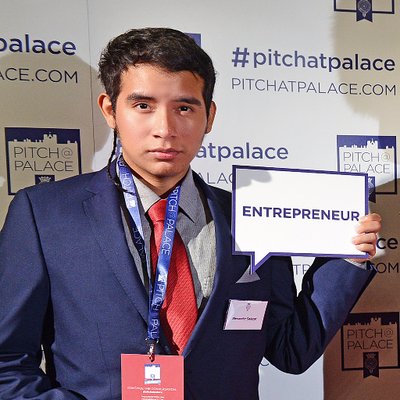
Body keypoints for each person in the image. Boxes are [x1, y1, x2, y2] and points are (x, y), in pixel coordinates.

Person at [0, 27, 381, 400]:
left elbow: (290, 350)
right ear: (110, 109)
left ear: (209, 116)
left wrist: (346, 256)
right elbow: (7, 363)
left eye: (184, 107)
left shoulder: (254, 216)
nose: (165, 129)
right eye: (143, 106)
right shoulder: (44, 215)